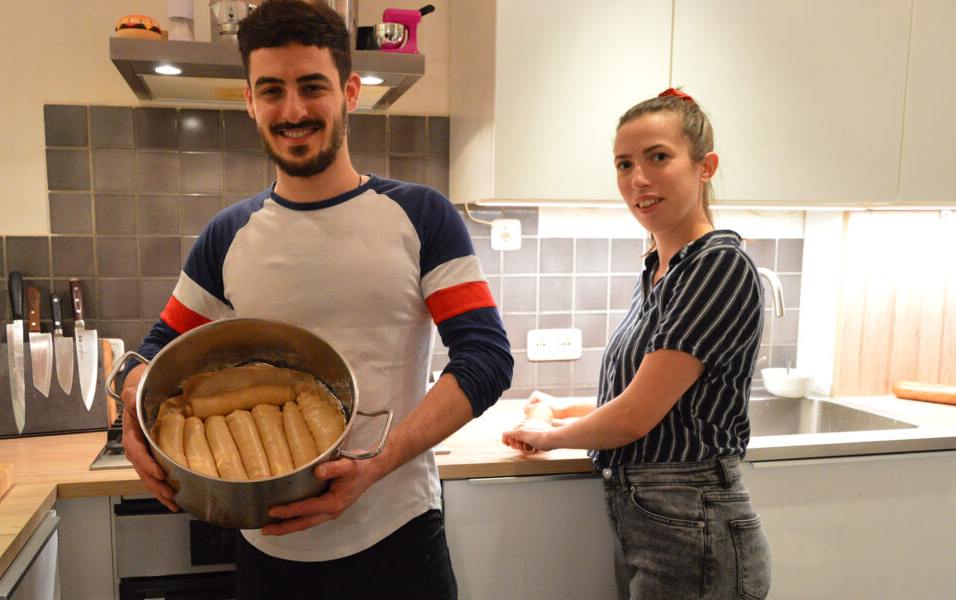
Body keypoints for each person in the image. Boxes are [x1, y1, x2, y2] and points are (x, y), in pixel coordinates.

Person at [119, 1, 513, 598]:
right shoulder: (228, 236)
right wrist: (129, 404)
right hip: (268, 554)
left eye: (312, 87)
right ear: (250, 100)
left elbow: (486, 359)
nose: (293, 110)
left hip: (398, 540)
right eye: (272, 90)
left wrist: (374, 466)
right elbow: (152, 354)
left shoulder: (421, 215)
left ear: (350, 91)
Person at [502, 89, 772, 599]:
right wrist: (561, 409)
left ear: (705, 166)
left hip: (695, 524)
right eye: (624, 164)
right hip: (660, 522)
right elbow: (651, 399)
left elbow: (634, 418)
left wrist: (551, 436)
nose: (638, 180)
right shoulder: (658, 268)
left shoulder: (717, 265)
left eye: (658, 158)